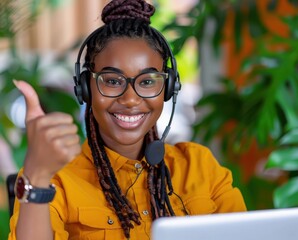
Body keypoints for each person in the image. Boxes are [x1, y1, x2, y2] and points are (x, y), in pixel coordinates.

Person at [8, 0, 246, 239]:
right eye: (112, 81)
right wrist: (37, 177)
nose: (131, 99)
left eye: (147, 81)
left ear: (168, 88)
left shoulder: (200, 166)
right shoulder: (56, 179)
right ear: (86, 88)